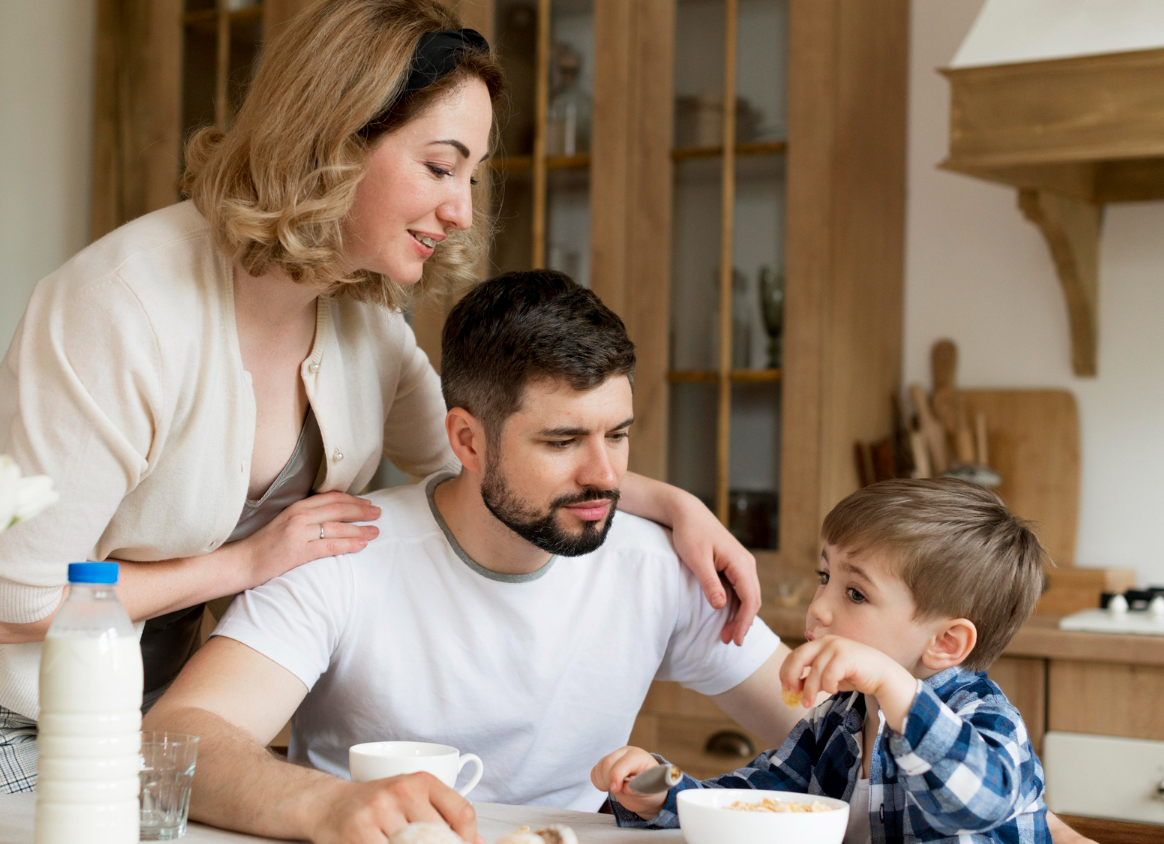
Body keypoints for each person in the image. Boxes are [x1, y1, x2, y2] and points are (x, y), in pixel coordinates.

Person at [0, 0, 763, 799]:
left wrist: (670, 505)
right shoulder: (122, 306)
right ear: (334, 142)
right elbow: (6, 606)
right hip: (6, 714)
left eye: (471, 175)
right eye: (440, 167)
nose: (462, 211)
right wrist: (241, 567)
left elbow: (481, 463)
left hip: (159, 703)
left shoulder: (366, 326)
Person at [143, 270, 804, 844]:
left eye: (619, 435)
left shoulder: (657, 567)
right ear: (466, 439)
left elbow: (830, 735)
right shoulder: (345, 554)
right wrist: (328, 804)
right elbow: (177, 736)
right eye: (563, 440)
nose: (603, 475)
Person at [593, 478, 1052, 844]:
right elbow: (756, 802)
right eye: (825, 576)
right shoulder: (836, 720)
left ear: (946, 643)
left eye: (855, 593)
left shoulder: (985, 720)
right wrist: (660, 792)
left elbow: (978, 802)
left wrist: (895, 685)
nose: (819, 608)